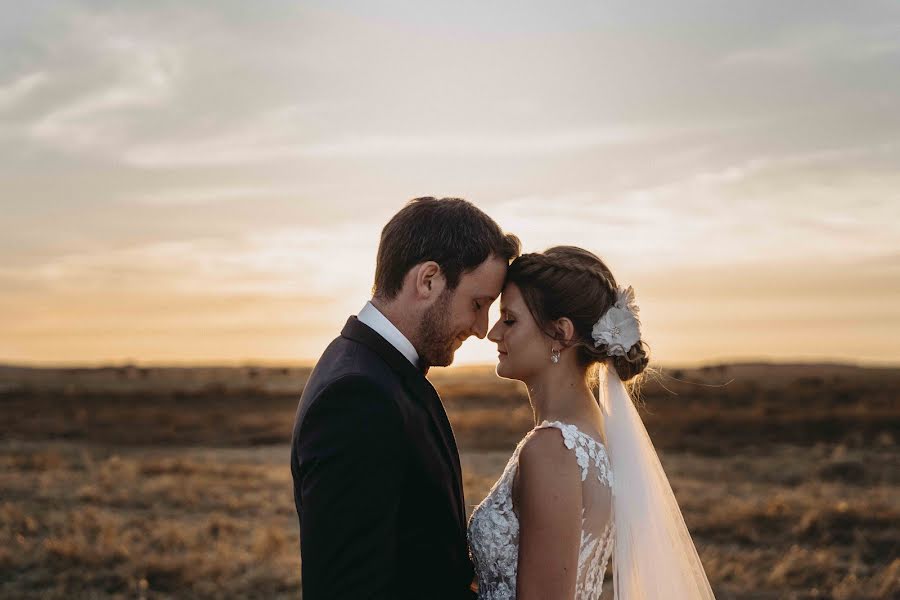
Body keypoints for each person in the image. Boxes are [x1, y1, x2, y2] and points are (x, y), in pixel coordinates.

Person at [291, 197, 520, 599]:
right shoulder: (358, 397)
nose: (482, 329)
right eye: (478, 304)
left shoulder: (378, 372)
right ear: (428, 280)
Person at [468, 246, 716, 599]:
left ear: (562, 333)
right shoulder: (593, 433)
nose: (493, 333)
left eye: (510, 320)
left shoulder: (552, 449)